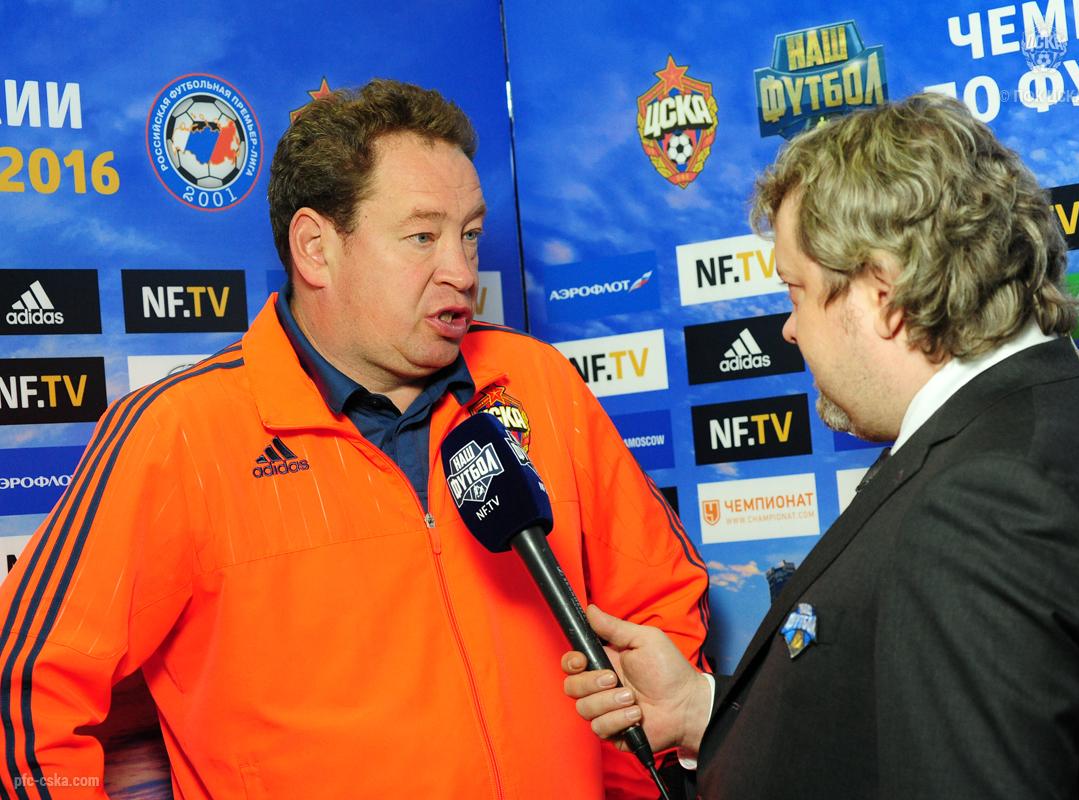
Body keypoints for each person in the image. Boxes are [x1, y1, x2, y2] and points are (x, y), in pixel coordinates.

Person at [0, 80, 709, 799]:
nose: (462, 272)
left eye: (469, 234)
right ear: (316, 248)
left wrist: (630, 779)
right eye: (423, 237)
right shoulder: (179, 432)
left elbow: (661, 603)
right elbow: (27, 688)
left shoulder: (538, 383)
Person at [562, 91, 1079, 799]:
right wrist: (703, 711)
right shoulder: (1017, 426)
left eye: (795, 291)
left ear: (883, 294)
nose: (789, 329)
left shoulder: (982, 499)